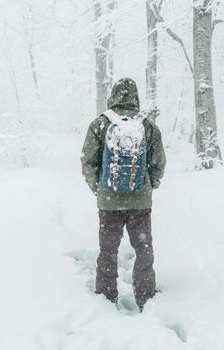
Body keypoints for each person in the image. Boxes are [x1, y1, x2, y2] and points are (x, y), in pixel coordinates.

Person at [80, 77, 166, 310]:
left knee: (108, 250)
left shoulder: (100, 124)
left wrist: (99, 189)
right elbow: (158, 163)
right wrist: (149, 185)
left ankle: (106, 296)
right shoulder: (147, 126)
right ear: (135, 97)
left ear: (113, 96)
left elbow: (88, 162)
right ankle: (145, 294)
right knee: (143, 248)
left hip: (109, 202)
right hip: (140, 201)